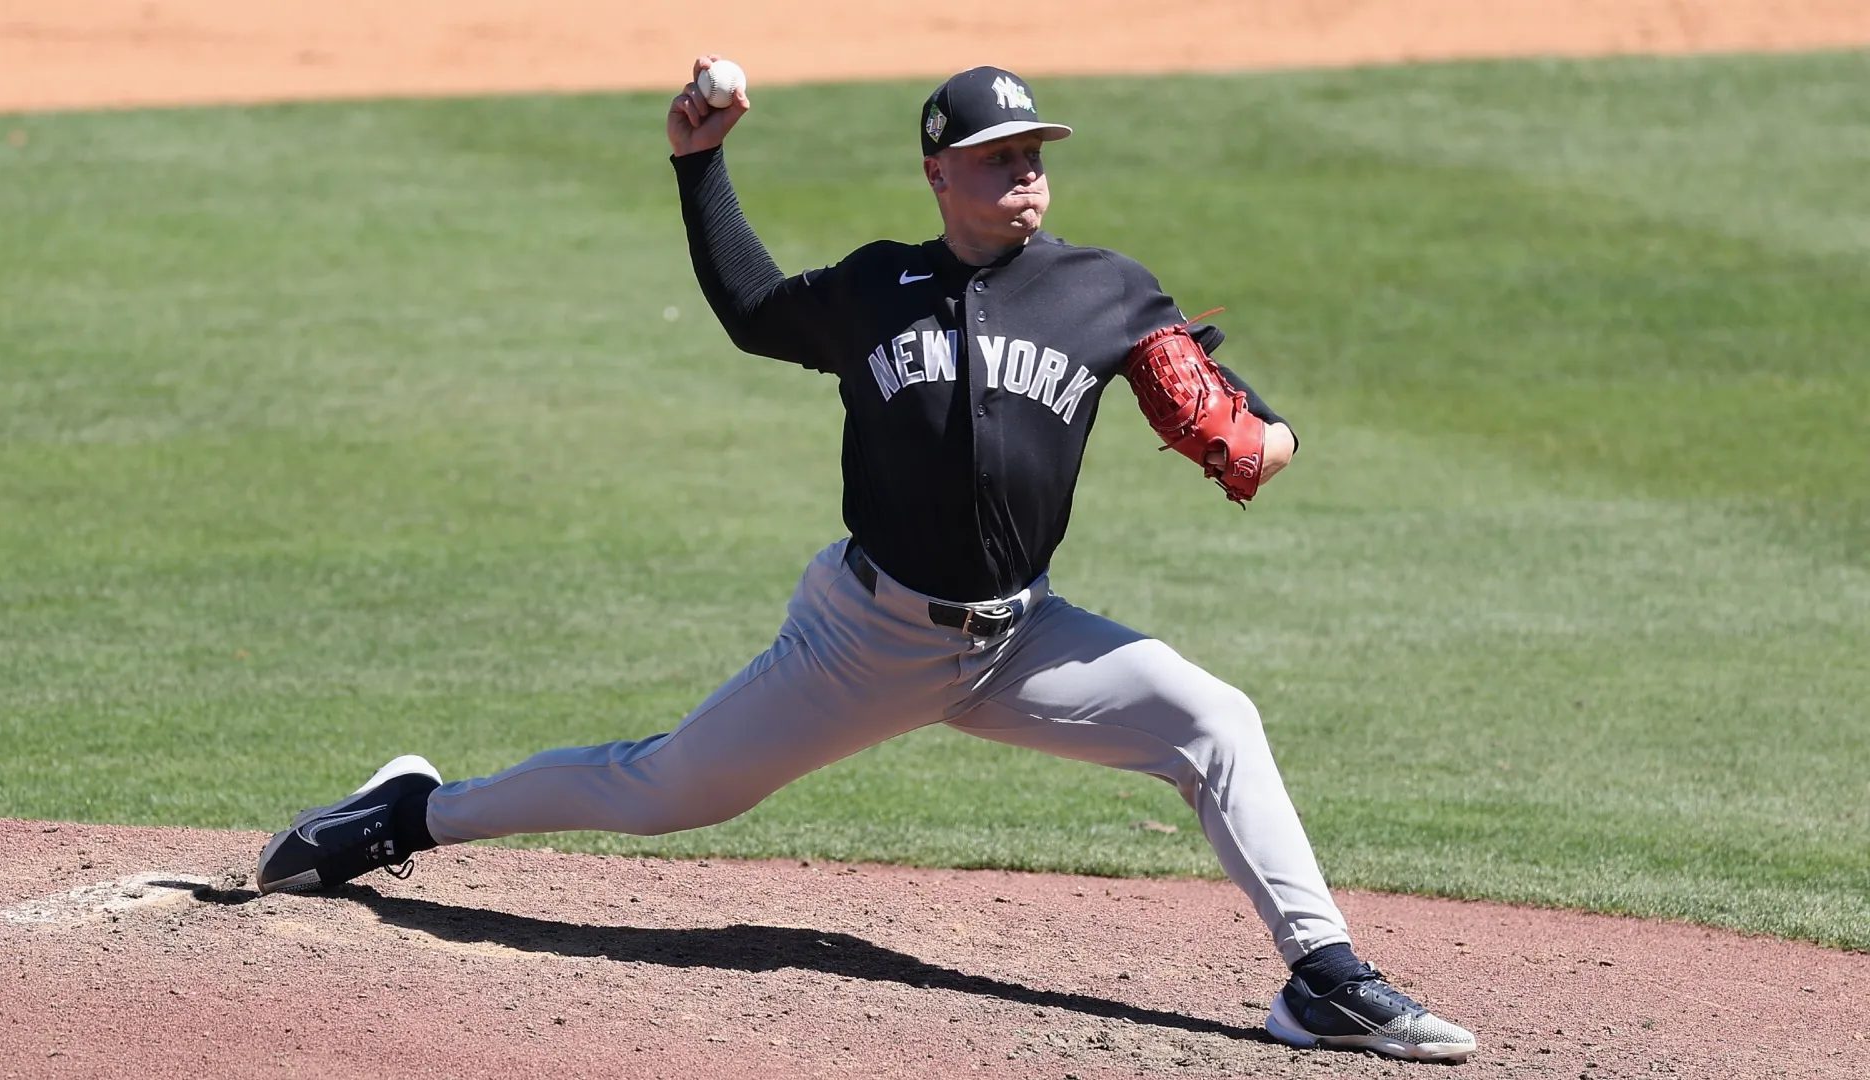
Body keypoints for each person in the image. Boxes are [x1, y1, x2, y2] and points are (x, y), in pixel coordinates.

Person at [255, 58, 1477, 1063]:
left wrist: (1269, 428)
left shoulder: (1107, 290)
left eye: (1037, 156)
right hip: (863, 638)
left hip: (1022, 639)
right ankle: (407, 816)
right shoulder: (875, 289)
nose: (1027, 177)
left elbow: (1198, 386)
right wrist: (700, 165)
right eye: (1000, 158)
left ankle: (1321, 979)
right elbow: (748, 309)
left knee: (1216, 722)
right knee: (662, 789)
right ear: (941, 171)